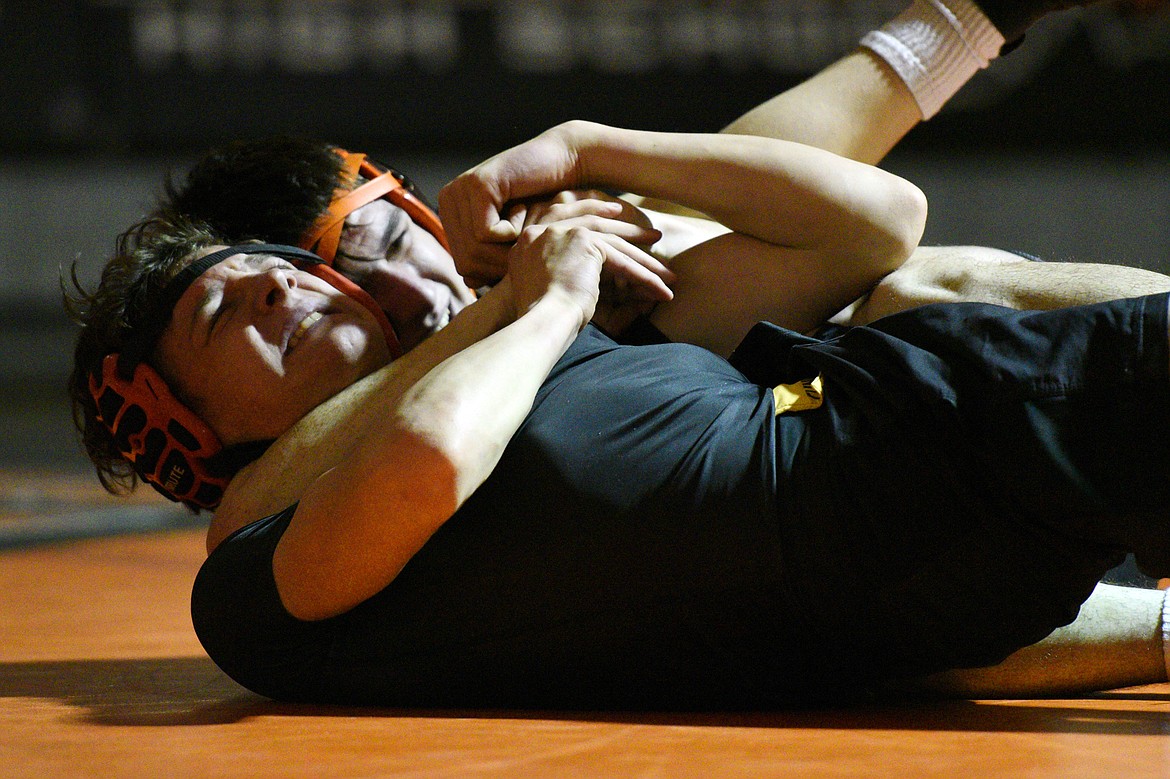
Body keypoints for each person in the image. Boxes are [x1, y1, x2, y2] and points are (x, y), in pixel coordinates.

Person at [66, 0, 1170, 708]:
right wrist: (525, 301)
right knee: (922, 306)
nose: (428, 269)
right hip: (899, 537)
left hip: (917, 523)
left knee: (923, 289)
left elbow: (862, 205)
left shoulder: (560, 292)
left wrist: (586, 157)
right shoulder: (297, 491)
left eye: (404, 230)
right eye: (375, 257)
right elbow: (356, 470)